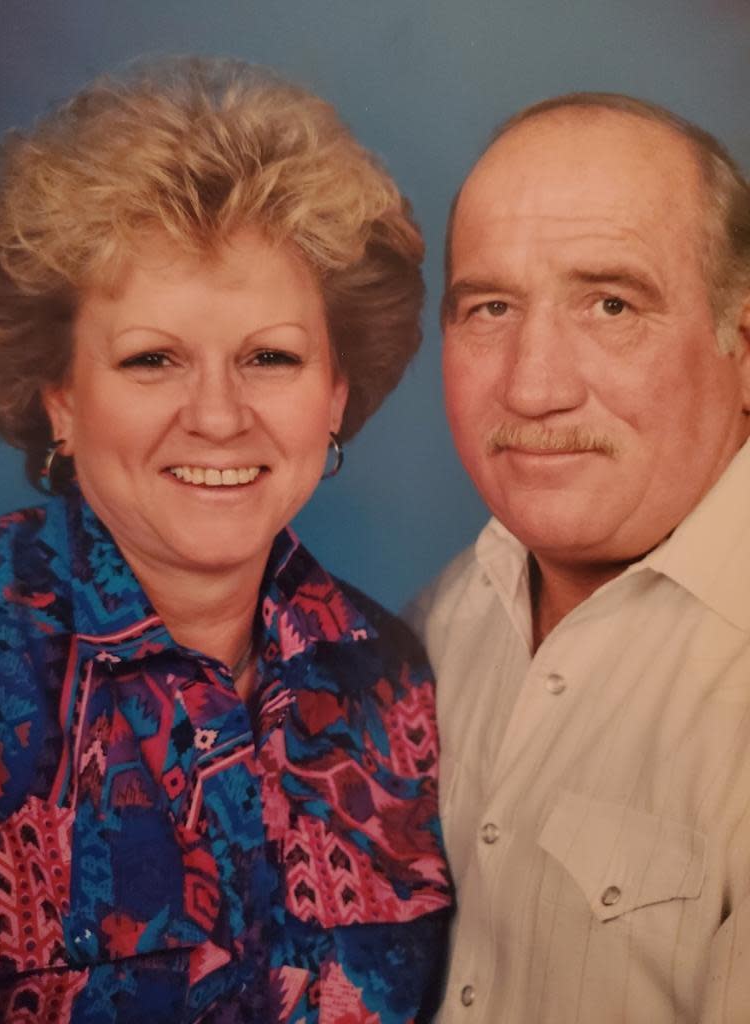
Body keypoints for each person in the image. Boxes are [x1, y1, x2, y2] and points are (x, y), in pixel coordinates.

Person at [0, 58, 451, 1023]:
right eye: (152, 359)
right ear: (59, 396)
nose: (218, 416)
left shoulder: (397, 684)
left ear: (335, 395)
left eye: (268, 358)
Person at [409, 92, 750, 1023]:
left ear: (744, 345)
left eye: (610, 303)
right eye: (490, 307)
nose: (534, 384)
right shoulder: (429, 629)